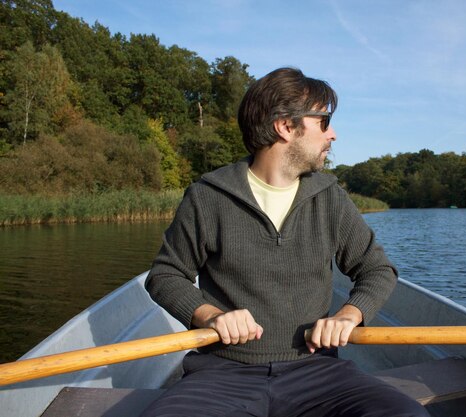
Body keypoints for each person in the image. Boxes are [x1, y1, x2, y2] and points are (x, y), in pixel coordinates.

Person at [141, 67, 429, 417]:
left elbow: (377, 270)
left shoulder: (330, 198)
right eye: (324, 122)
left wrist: (348, 316)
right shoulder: (208, 197)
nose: (333, 134)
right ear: (285, 126)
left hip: (317, 371)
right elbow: (166, 275)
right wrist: (211, 316)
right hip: (223, 374)